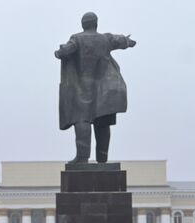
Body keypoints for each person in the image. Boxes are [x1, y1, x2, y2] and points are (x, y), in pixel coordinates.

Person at [55, 12, 136, 164]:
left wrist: (59, 52)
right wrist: (129, 41)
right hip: (105, 89)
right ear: (96, 23)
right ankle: (102, 159)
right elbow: (121, 40)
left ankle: (82, 157)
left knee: (82, 121)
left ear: (83, 24)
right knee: (103, 123)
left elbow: (67, 50)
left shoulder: (77, 38)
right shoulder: (106, 38)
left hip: (82, 89)